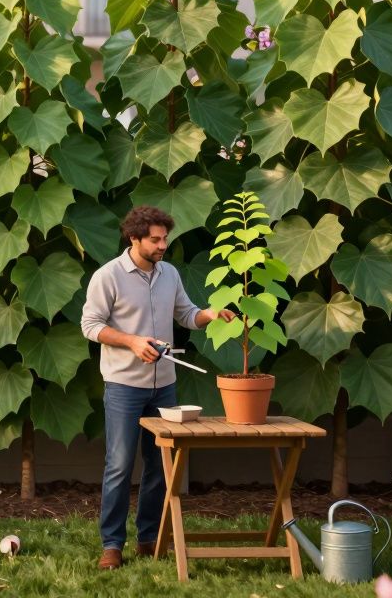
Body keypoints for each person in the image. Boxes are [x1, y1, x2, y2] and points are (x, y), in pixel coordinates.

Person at [79, 205, 234, 571]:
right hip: (123, 386)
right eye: (155, 239)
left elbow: (186, 314)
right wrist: (132, 342)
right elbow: (90, 325)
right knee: (118, 465)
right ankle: (112, 545)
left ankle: (148, 539)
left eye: (165, 238)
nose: (163, 244)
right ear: (134, 238)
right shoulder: (108, 276)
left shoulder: (170, 274)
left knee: (159, 467)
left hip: (164, 387)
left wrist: (210, 314)